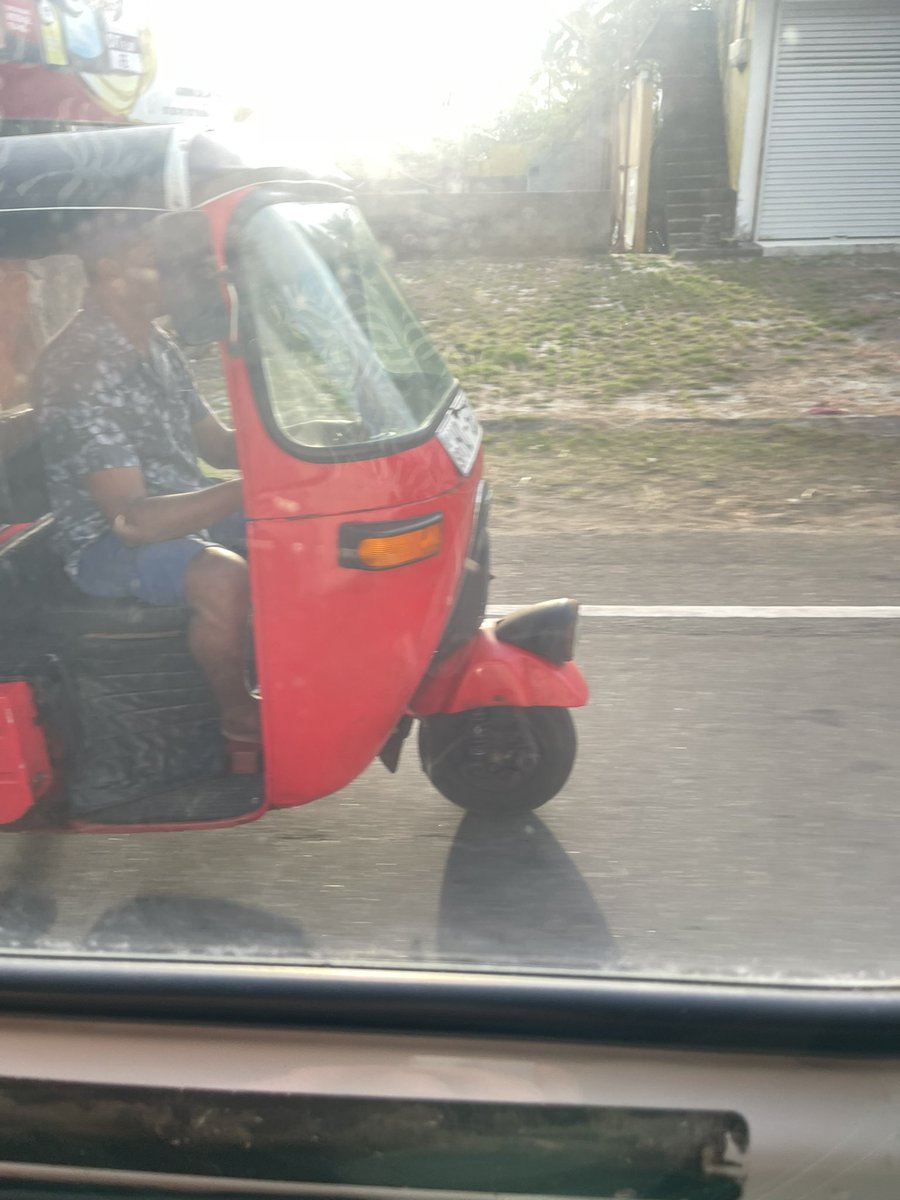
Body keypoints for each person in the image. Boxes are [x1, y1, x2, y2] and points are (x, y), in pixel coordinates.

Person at [34, 216, 260, 755]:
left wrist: (296, 443)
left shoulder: (156, 345)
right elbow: (132, 521)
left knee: (299, 523)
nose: (177, 275)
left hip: (178, 507)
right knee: (221, 578)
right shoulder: (79, 364)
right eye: (157, 261)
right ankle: (239, 717)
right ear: (110, 270)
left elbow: (216, 446)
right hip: (104, 543)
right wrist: (249, 490)